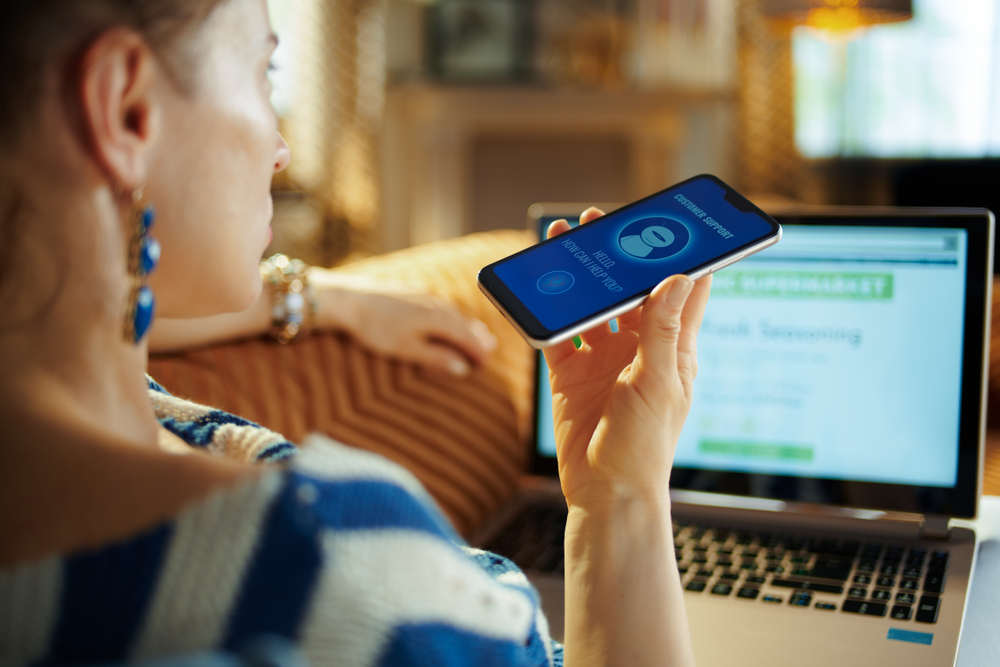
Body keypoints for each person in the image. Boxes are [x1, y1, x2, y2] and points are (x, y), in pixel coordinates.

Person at [0, 1, 711, 665]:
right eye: (262, 73)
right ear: (126, 110)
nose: (280, 149)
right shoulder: (337, 573)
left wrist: (323, 297)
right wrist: (623, 494)